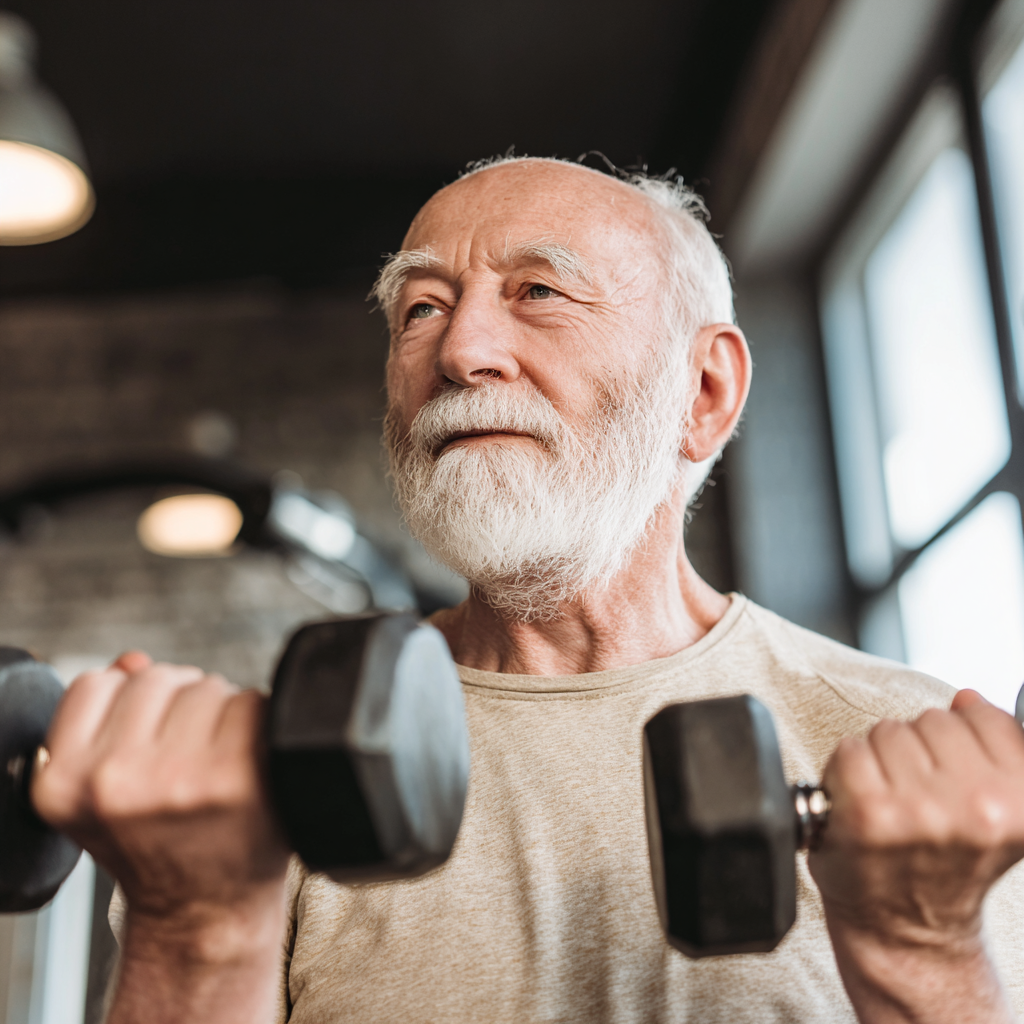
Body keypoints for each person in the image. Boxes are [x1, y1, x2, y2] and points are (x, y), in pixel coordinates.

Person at [30, 156, 1024, 1024]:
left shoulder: (934, 766)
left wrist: (923, 948)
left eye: (540, 291)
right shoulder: (259, 786)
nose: (459, 352)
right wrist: (192, 930)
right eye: (421, 307)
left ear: (705, 391)